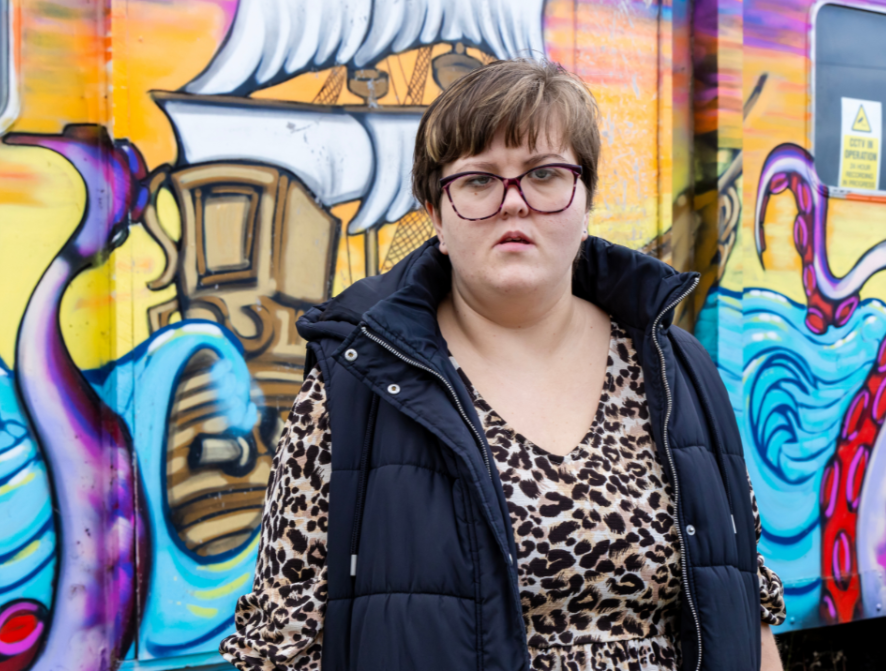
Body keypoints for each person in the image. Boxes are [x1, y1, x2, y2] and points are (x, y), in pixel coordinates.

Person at [219, 57, 786, 671]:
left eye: (544, 174)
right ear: (436, 215)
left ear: (585, 200)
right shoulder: (355, 384)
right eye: (478, 180)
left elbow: (743, 605)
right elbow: (283, 646)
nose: (513, 203)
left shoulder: (677, 370)